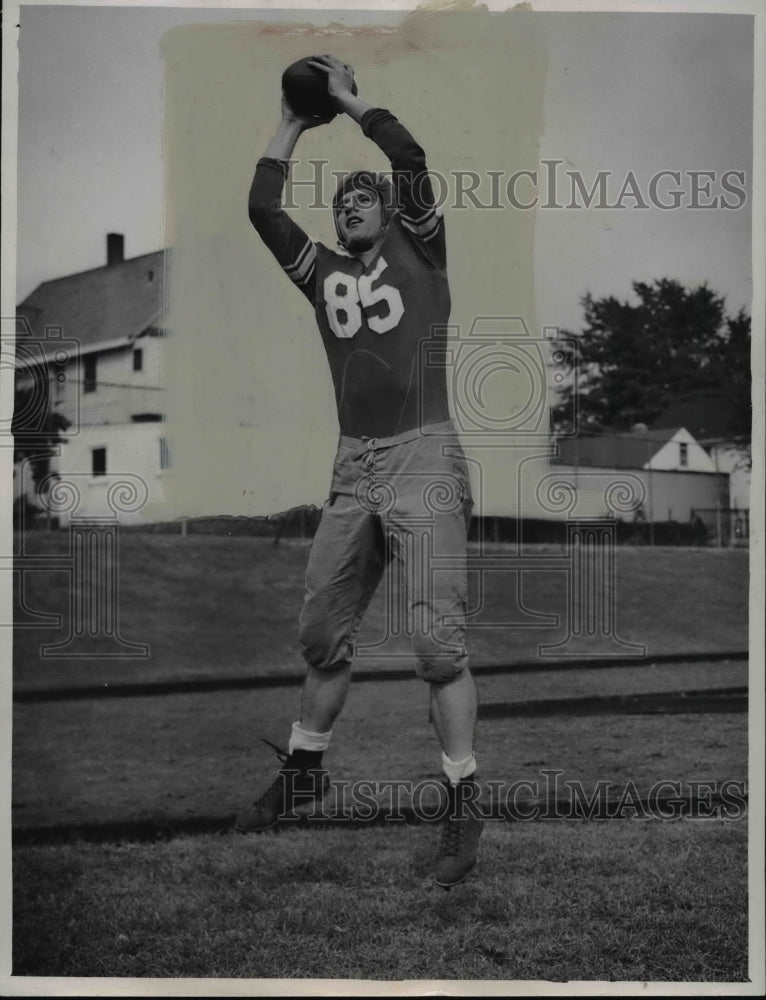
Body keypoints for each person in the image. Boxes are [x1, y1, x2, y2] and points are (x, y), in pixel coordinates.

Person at [236, 54, 482, 888]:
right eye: (342, 203)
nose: (351, 206)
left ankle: (461, 799)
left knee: (435, 647)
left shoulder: (424, 251)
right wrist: (295, 124)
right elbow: (263, 207)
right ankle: (306, 771)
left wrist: (346, 101)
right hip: (354, 462)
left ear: (389, 213)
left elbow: (409, 159)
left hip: (423, 451)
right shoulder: (323, 277)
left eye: (362, 197)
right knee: (319, 631)